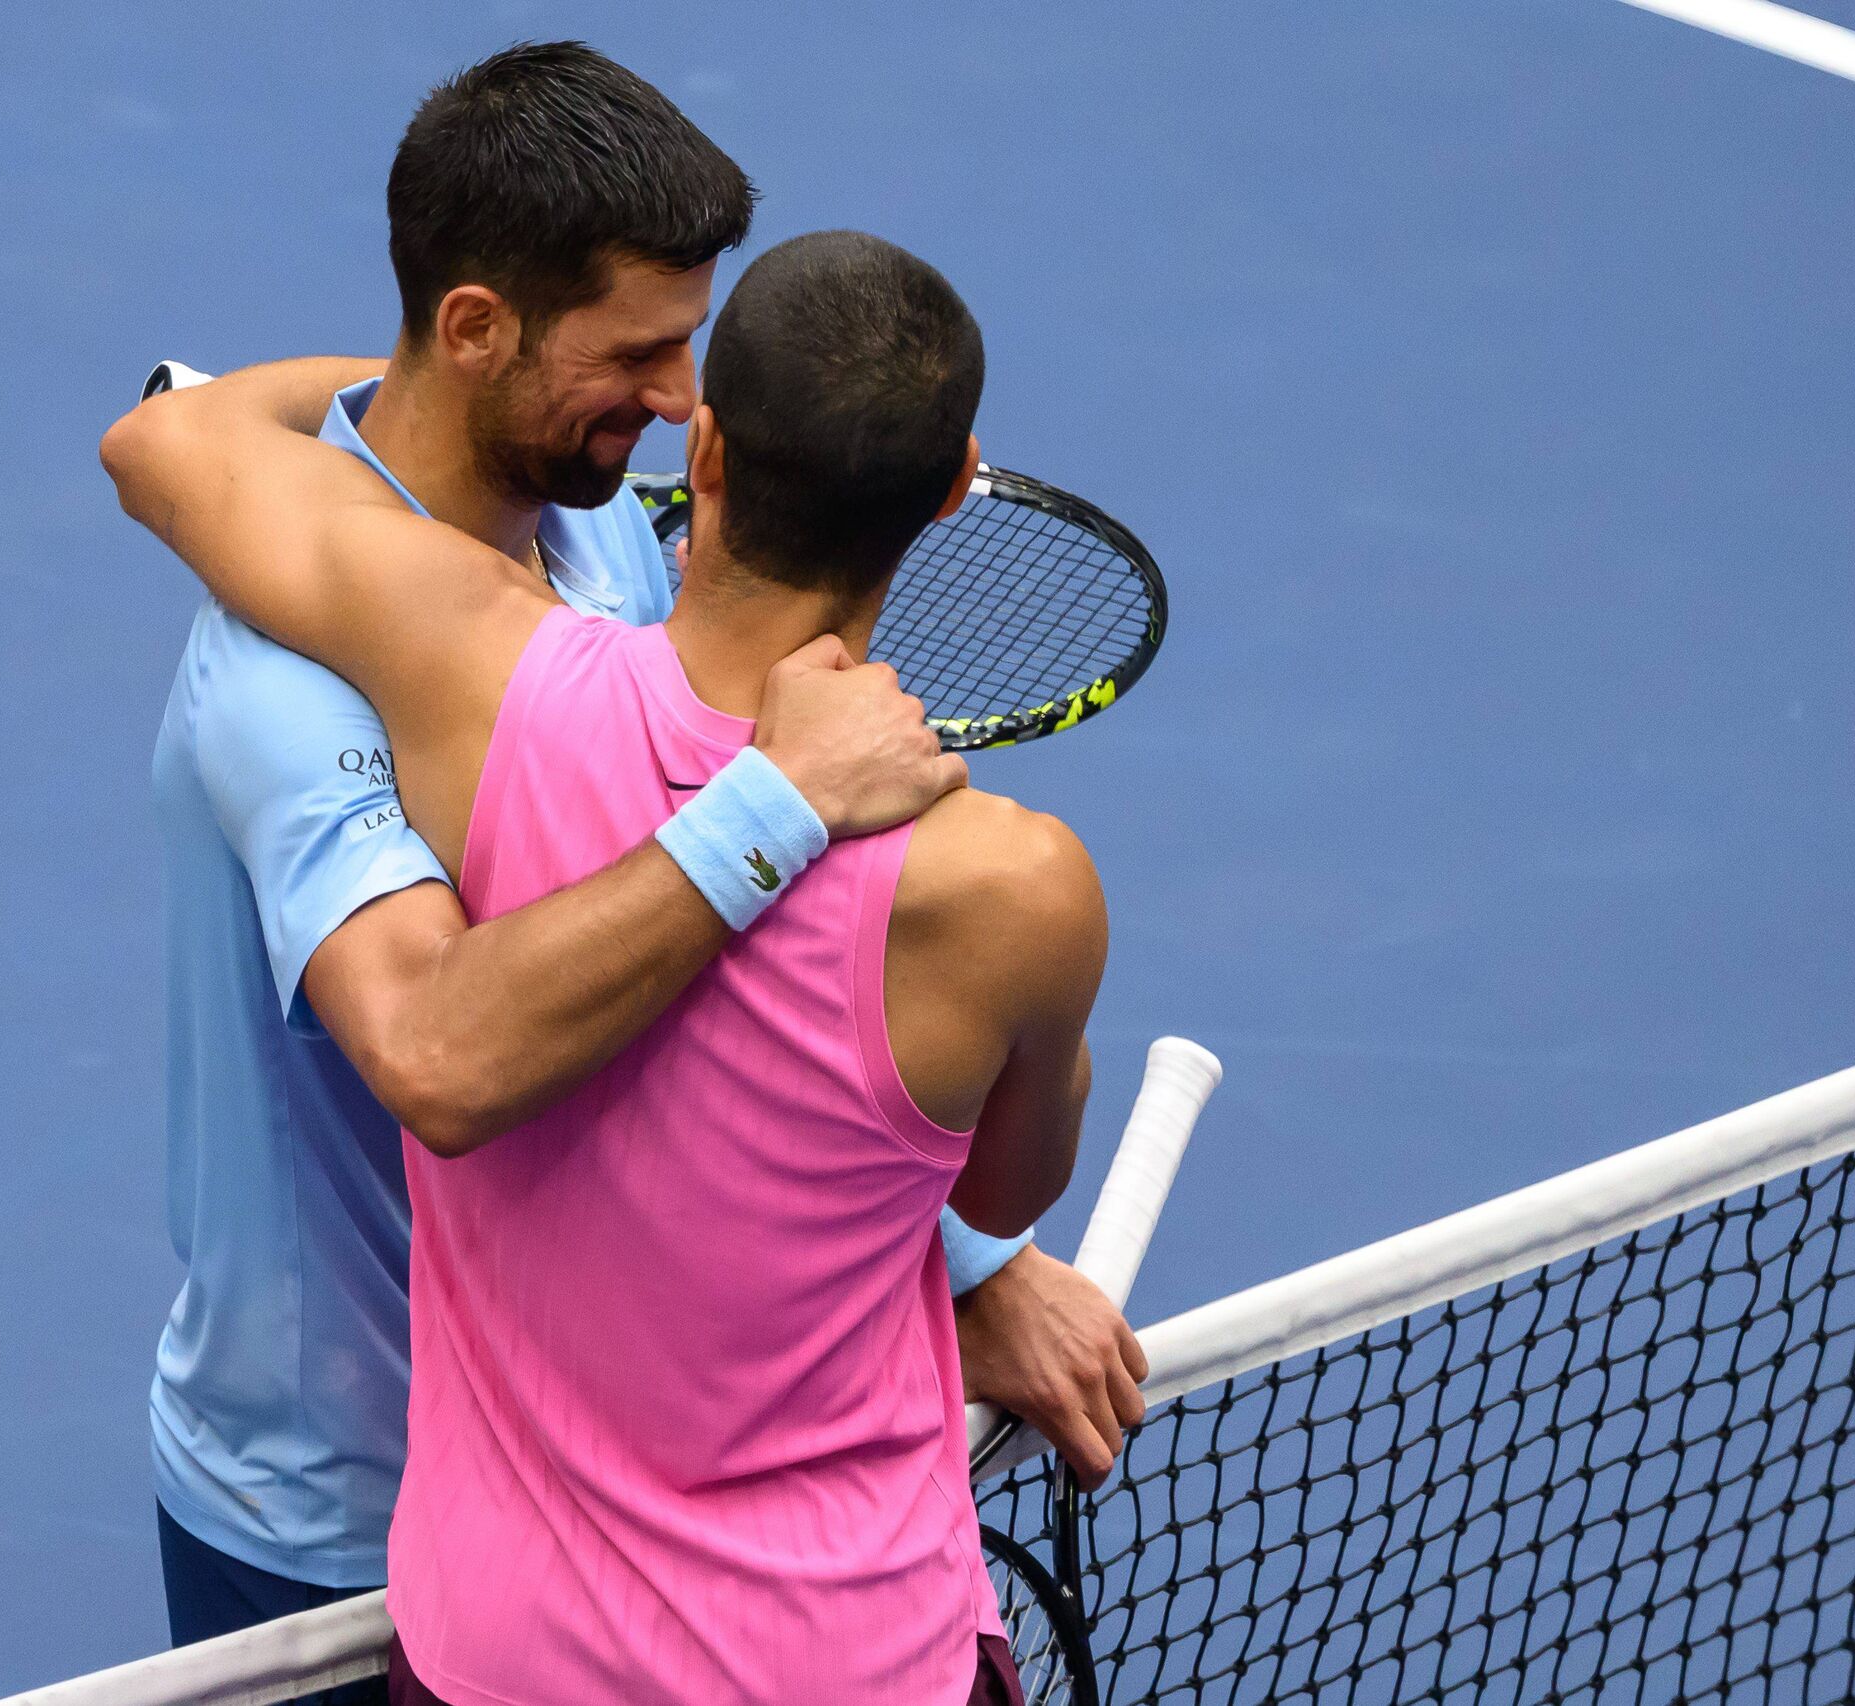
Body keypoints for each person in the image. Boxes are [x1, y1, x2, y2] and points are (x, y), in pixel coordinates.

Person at [121, 41, 1142, 1690]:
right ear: (477, 328)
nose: (677, 404)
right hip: (338, 1510)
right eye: (640, 351)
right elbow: (445, 1051)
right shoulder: (286, 685)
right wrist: (776, 802)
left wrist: (968, 1266)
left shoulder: (592, 529)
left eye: (695, 360)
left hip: (599, 1464)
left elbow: (746, 1006)